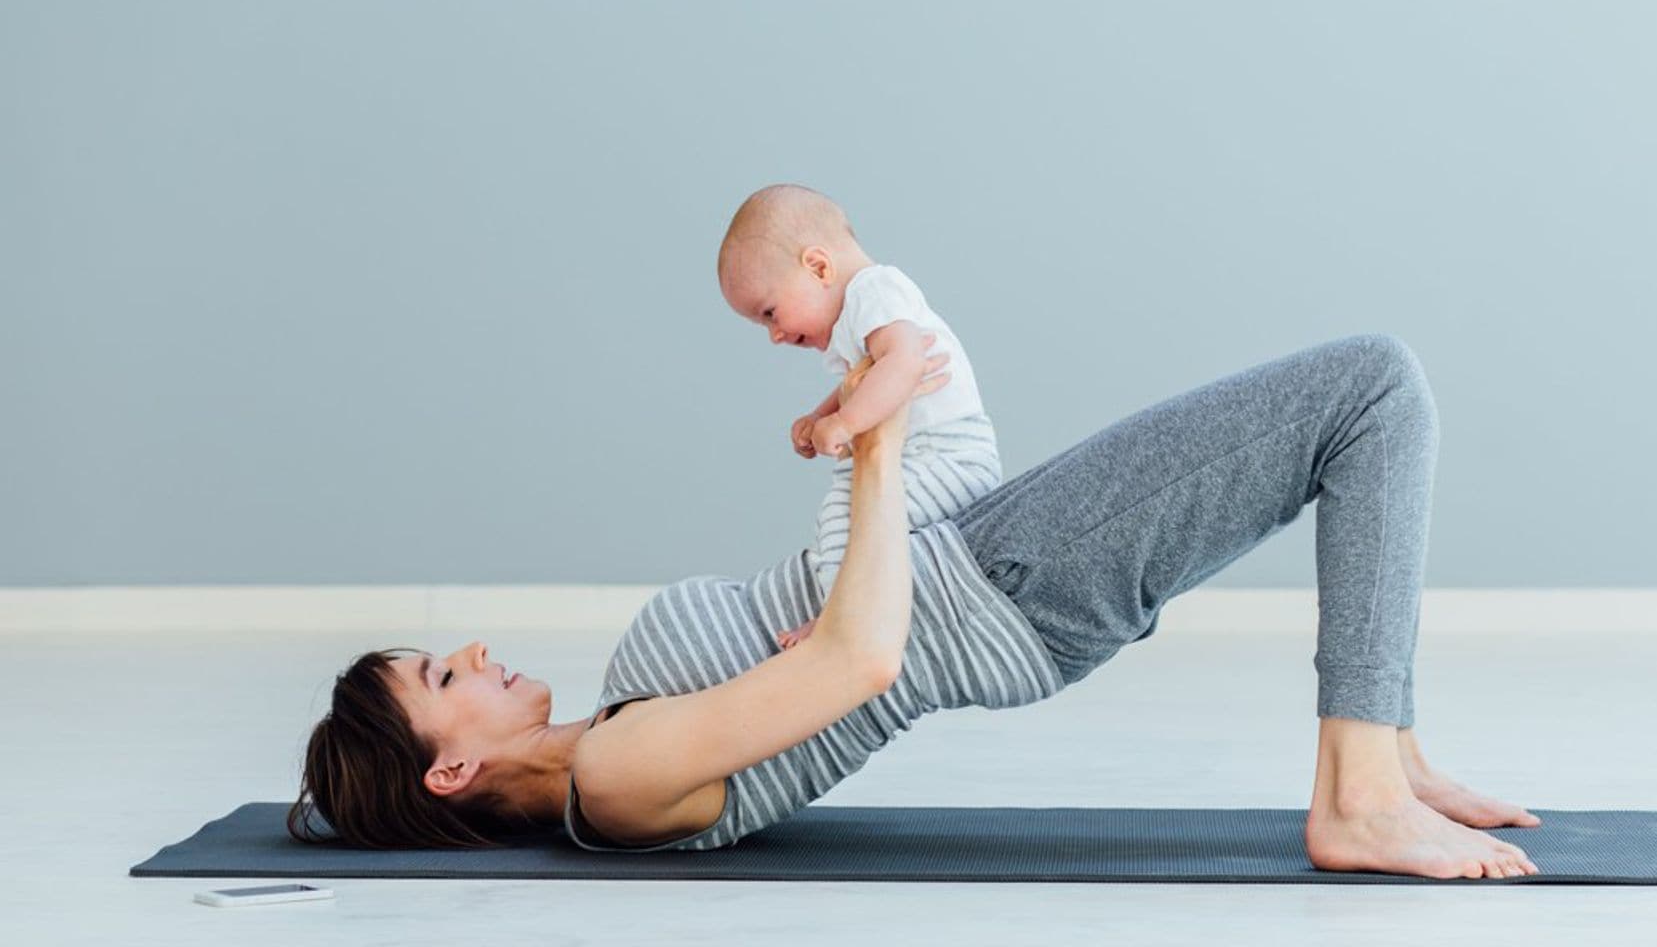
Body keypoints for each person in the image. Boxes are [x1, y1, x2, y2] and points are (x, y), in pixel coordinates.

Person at [291, 332, 1543, 879]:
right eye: (441, 681)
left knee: (1351, 414)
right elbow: (863, 656)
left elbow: (824, 653)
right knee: (1371, 391)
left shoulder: (616, 728)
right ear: (449, 774)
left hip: (984, 556)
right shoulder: (609, 782)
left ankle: (1390, 752)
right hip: (1007, 590)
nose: (468, 654)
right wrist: (875, 440)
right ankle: (1358, 795)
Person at [716, 183, 1002, 650]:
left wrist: (845, 424)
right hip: (924, 460)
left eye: (770, 313)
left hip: (950, 459)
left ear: (818, 266)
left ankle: (841, 621)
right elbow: (864, 378)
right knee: (853, 521)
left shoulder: (875, 290)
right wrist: (820, 414)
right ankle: (853, 611)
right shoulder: (859, 318)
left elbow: (904, 364)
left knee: (849, 519)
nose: (775, 335)